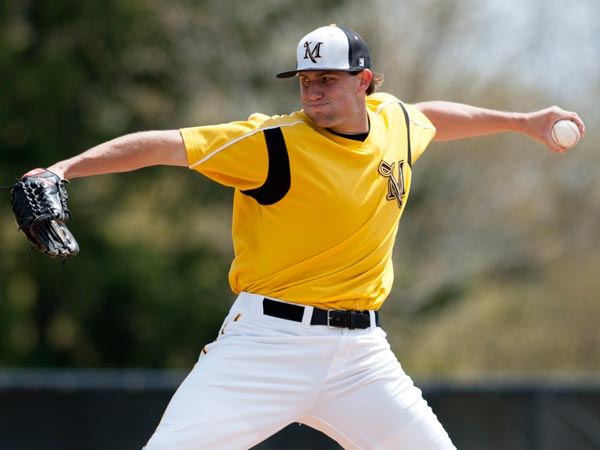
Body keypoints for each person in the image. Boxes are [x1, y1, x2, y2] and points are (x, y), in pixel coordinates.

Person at [43, 25, 584, 450]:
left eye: (327, 79)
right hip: (266, 345)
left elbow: (432, 118)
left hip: (361, 358)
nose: (313, 90)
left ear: (364, 81)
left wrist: (523, 121)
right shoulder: (272, 143)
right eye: (305, 80)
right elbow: (164, 145)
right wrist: (62, 169)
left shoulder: (393, 122)